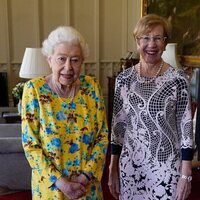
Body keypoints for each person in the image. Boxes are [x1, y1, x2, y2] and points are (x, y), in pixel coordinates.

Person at [108, 14, 193, 200]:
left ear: (165, 43)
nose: (151, 44)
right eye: (145, 38)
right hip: (131, 166)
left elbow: (186, 128)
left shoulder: (178, 79)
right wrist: (112, 166)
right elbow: (118, 127)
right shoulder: (124, 80)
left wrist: (186, 174)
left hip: (167, 167)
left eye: (157, 38)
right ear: (137, 42)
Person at [21, 26, 109, 199]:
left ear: (82, 62)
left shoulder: (91, 88)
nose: (68, 67)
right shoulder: (34, 90)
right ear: (49, 59)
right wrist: (61, 182)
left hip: (86, 187)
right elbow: (31, 145)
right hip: (52, 189)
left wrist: (85, 177)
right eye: (61, 59)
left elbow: (102, 137)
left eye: (75, 60)